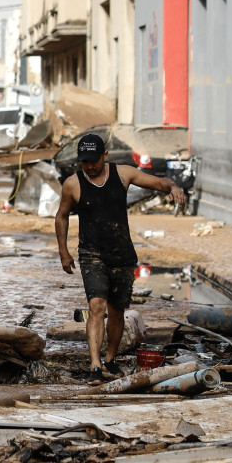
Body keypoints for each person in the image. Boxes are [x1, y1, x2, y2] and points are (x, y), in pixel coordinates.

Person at [55, 133, 186, 382]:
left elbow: (160, 183)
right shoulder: (72, 184)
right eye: (85, 162)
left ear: (105, 155)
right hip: (92, 254)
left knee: (117, 311)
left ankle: (110, 360)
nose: (90, 166)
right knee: (96, 306)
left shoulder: (123, 174)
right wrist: (63, 251)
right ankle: (94, 365)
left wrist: (175, 188)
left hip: (123, 254)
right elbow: (61, 216)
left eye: (94, 161)